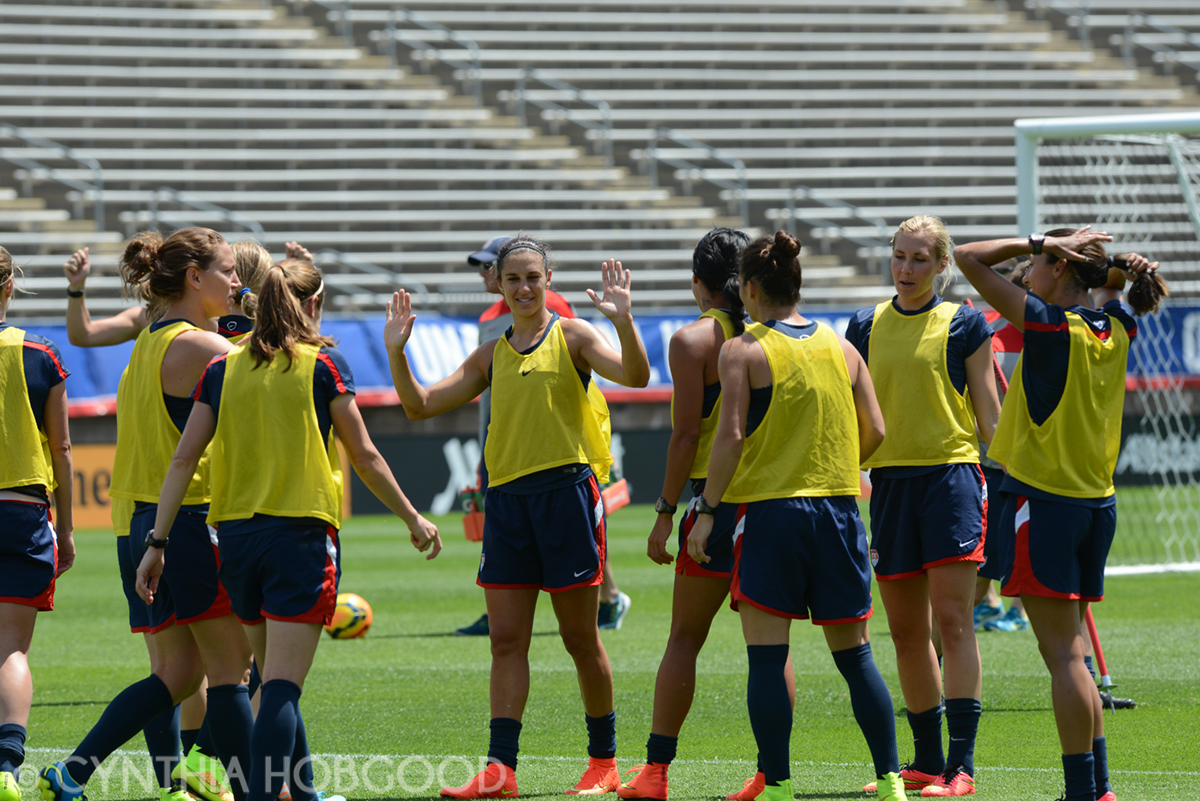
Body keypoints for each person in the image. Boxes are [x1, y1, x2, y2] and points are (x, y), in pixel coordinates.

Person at [136, 257, 441, 801]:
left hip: (233, 541)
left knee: (271, 676)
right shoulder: (321, 366)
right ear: (312, 305)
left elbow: (183, 461)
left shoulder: (221, 369)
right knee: (280, 686)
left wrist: (156, 543)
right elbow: (365, 456)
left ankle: (302, 793)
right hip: (299, 537)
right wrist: (413, 517)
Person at [386, 236, 650, 798]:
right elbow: (419, 405)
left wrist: (624, 322)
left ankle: (603, 761)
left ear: (548, 278)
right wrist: (396, 352)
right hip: (507, 504)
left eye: (534, 277)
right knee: (506, 641)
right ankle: (500, 770)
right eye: (513, 279)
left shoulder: (573, 335)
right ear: (499, 286)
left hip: (567, 499)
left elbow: (635, 376)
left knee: (581, 638)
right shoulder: (491, 352)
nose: (524, 288)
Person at [58, 238, 298, 801]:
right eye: (226, 272)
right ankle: (252, 789)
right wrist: (287, 305)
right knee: (232, 671)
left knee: (176, 675)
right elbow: (280, 388)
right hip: (188, 521)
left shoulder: (149, 338)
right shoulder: (203, 346)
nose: (235, 283)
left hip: (143, 520)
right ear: (194, 277)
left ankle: (74, 773)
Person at [685, 231, 907, 801]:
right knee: (857, 657)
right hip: (838, 511)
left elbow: (729, 437)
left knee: (767, 655)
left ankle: (778, 785)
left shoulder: (743, 349)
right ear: (796, 284)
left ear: (751, 289)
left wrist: (707, 510)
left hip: (771, 515)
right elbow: (877, 430)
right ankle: (890, 781)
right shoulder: (841, 346)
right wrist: (831, 466)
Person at [954, 227, 1166, 801]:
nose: (1030, 272)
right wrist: (1110, 261)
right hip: (1095, 505)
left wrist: (1037, 238)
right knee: (1070, 654)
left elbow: (965, 257)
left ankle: (1082, 792)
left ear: (1066, 272)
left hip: (1043, 504)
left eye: (1042, 265)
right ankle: (1097, 788)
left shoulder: (1049, 326)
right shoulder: (1116, 325)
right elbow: (1115, 283)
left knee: (1065, 659)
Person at [619, 227, 793, 801]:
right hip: (771, 501)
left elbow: (687, 434)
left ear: (699, 284)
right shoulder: (780, 334)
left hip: (710, 504)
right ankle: (772, 776)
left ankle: (656, 773)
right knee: (771, 648)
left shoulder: (692, 340)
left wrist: (666, 512)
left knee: (684, 639)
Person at [844, 215, 1000, 797]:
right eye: (899, 257)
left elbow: (989, 418)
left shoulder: (964, 324)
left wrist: (1015, 476)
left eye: (919, 259)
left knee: (954, 624)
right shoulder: (863, 325)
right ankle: (928, 762)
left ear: (941, 266)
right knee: (907, 634)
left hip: (952, 483)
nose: (906, 269)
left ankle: (963, 766)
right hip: (889, 488)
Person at [458, 237, 631, 637]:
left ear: (544, 280)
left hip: (560, 450)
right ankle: (504, 604)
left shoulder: (557, 315)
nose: (485, 275)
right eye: (490, 270)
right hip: (503, 439)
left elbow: (576, 374)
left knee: (574, 536)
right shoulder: (488, 321)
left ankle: (609, 595)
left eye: (489, 266)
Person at [0, 246, 75, 801]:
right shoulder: (38, 352)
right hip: (23, 509)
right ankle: (6, 767)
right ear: (9, 288)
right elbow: (63, 448)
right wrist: (67, 530)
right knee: (11, 649)